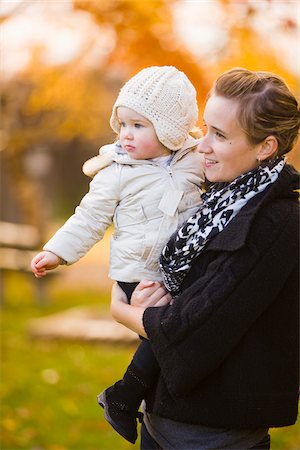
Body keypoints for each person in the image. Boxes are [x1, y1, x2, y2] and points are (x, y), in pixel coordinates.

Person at [109, 67, 300, 449]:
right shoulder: (215, 197)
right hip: (163, 418)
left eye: (221, 135)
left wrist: (122, 311)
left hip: (214, 433)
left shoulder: (277, 223)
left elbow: (191, 329)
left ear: (266, 147)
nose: (202, 146)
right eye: (206, 128)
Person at [30, 66, 205, 443]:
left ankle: (126, 397)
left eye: (139, 125)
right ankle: (126, 397)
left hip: (179, 269)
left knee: (172, 335)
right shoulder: (117, 172)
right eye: (122, 123)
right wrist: (56, 252)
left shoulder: (195, 161)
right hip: (137, 270)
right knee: (168, 332)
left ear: (172, 130)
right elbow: (89, 217)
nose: (126, 134)